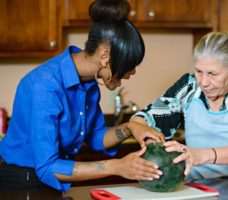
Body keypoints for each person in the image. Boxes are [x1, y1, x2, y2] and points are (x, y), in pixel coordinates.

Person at [0, 0, 164, 192]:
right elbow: (47, 167)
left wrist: (130, 127)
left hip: (51, 182)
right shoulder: (44, 86)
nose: (132, 72)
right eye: (129, 65)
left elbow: (96, 136)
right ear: (104, 56)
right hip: (23, 183)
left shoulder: (88, 83)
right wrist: (116, 166)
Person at [131, 31, 228, 181]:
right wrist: (150, 141)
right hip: (195, 185)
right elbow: (143, 119)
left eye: (213, 74)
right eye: (199, 71)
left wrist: (200, 155)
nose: (204, 82)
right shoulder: (189, 86)